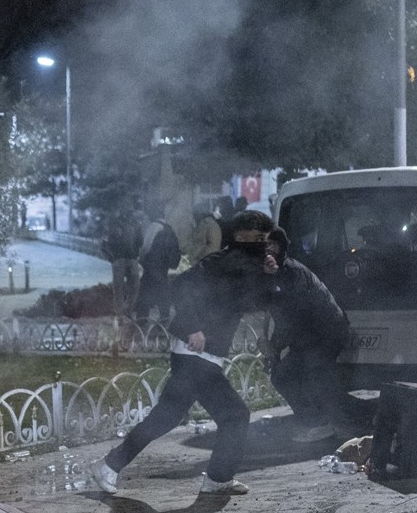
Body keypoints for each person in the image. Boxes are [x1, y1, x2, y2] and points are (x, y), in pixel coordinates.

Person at [89, 210, 277, 496]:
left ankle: (109, 466)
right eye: (259, 238)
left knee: (166, 416)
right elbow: (179, 286)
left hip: (201, 356)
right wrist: (192, 328)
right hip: (194, 355)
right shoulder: (222, 262)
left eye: (266, 238)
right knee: (235, 415)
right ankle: (217, 478)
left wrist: (270, 274)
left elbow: (257, 301)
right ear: (242, 237)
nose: (264, 244)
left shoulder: (245, 265)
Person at [261, 227, 352, 443]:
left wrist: (275, 348)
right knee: (282, 376)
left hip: (326, 332)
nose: (268, 249)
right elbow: (280, 316)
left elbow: (295, 316)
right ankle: (317, 423)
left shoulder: (293, 273)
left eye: (273, 244)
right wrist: (273, 350)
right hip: (308, 336)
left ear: (282, 247)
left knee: (313, 375)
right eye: (265, 245)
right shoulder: (273, 275)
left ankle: (331, 427)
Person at [135, 209, 181, 321]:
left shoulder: (154, 226)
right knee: (162, 291)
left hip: (152, 265)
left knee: (145, 293)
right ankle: (164, 318)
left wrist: (141, 259)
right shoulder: (169, 228)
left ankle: (142, 320)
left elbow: (146, 247)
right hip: (163, 267)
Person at [101, 206, 144, 318]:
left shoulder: (135, 224)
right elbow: (104, 244)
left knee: (135, 287)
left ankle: (127, 311)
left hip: (131, 259)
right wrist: (112, 258)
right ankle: (120, 314)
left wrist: (136, 255)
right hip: (119, 260)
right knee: (118, 289)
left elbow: (140, 241)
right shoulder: (112, 225)